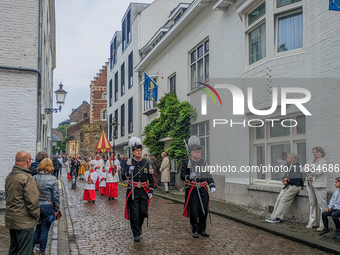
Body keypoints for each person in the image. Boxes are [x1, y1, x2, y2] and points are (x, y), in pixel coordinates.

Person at [5, 151, 40, 255]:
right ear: (28, 161)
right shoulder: (26, 177)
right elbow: (32, 201)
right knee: (25, 250)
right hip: (24, 221)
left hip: (12, 219)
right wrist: (37, 215)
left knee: (14, 249)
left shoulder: (10, 176)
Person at [181, 135, 216, 238]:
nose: (198, 154)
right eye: (196, 152)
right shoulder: (187, 162)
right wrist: (189, 176)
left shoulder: (204, 162)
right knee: (194, 210)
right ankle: (195, 229)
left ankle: (202, 229)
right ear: (191, 153)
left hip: (203, 189)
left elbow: (208, 175)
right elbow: (182, 175)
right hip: (192, 189)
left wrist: (212, 184)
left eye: (199, 152)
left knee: (203, 209)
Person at [122, 137, 154, 242]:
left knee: (142, 212)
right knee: (134, 213)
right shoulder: (129, 162)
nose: (139, 152)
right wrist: (128, 173)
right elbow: (123, 176)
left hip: (144, 190)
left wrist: (151, 189)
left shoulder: (146, 163)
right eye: (137, 151)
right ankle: (136, 233)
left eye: (140, 151)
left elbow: (151, 177)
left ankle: (139, 227)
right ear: (133, 152)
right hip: (133, 190)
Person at [32, 158, 60, 255]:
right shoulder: (53, 179)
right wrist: (57, 209)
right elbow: (56, 196)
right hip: (48, 207)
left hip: (36, 206)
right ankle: (42, 250)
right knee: (44, 230)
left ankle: (30, 247)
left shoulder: (34, 178)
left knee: (37, 228)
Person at [265, 153, 303, 223]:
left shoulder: (297, 167)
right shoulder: (290, 165)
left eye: (288, 157)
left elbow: (297, 179)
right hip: (288, 185)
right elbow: (286, 174)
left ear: (292, 159)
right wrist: (284, 179)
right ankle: (273, 215)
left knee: (284, 200)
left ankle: (278, 217)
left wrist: (288, 180)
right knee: (279, 198)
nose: (287, 159)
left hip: (295, 185)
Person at [303, 147, 328, 231]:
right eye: (313, 152)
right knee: (312, 203)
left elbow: (319, 172)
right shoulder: (310, 161)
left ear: (321, 153)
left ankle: (323, 225)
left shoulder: (323, 162)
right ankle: (312, 222)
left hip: (319, 184)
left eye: (317, 152)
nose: (315, 153)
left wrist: (309, 169)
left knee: (322, 204)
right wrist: (312, 169)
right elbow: (303, 169)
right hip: (310, 184)